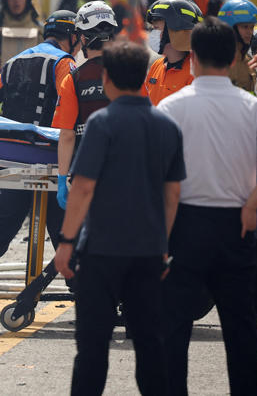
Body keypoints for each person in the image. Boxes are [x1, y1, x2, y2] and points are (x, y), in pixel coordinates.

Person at [54, 42, 184, 396]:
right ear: (144, 78)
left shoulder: (102, 123)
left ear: (107, 77)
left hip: (101, 253)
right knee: (150, 346)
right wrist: (163, 245)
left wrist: (66, 243)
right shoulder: (167, 125)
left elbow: (82, 188)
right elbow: (172, 195)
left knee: (93, 349)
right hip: (148, 252)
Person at [157, 17, 257, 396]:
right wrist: (252, 205)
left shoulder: (170, 108)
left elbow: (160, 180)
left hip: (184, 224)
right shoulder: (253, 108)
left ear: (193, 58)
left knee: (173, 327)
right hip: (238, 225)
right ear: (235, 56)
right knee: (242, 328)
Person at [0, 10, 79, 320]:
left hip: (12, 155)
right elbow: (69, 103)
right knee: (65, 231)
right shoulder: (64, 64)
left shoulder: (14, 62)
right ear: (71, 37)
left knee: (2, 226)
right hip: (47, 158)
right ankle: (86, 295)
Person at [52, 1, 118, 210]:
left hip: (85, 172)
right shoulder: (131, 73)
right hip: (125, 168)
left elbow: (67, 135)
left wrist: (62, 180)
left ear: (82, 37)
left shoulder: (74, 79)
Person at [142, 0, 202, 106]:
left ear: (175, 29)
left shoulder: (194, 72)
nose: (153, 34)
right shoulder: (157, 65)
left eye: (156, 28)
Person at [218, 0, 257, 91]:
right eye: (245, 27)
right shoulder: (217, 63)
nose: (250, 32)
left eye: (252, 27)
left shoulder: (249, 61)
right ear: (230, 27)